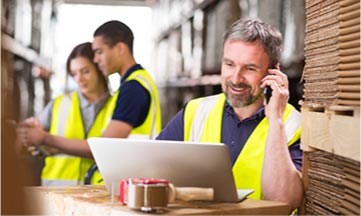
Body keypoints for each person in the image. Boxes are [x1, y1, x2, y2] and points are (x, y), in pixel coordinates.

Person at [156, 17, 303, 212]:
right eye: (229, 65)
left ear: (273, 73)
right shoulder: (195, 111)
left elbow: (282, 201)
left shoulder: (293, 124)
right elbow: (152, 173)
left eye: (250, 68)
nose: (236, 78)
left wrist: (275, 120)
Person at [19, 21, 162, 183]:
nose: (96, 59)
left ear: (120, 48)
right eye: (74, 73)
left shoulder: (133, 89)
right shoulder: (129, 88)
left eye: (99, 52)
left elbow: (105, 147)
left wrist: (47, 139)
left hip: (132, 184)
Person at [17, 42, 117, 186]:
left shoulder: (118, 107)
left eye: (85, 71)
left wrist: (49, 141)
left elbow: (107, 151)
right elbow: (33, 141)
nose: (79, 79)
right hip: (56, 193)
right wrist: (31, 136)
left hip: (97, 195)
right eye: (74, 74)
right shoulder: (60, 103)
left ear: (99, 68)